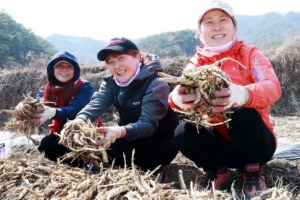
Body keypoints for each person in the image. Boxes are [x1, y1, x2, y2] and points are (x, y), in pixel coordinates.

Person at [168, 1, 281, 198]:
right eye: (209, 22)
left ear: (234, 26)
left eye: (223, 20)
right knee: (182, 131)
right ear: (200, 31)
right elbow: (178, 92)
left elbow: (272, 87)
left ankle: (252, 171)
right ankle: (218, 171)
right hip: (220, 146)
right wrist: (178, 98)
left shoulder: (250, 54)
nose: (217, 26)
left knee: (240, 112)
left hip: (256, 144)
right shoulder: (197, 62)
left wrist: (243, 94)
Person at [65, 37, 179, 182]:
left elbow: (148, 124)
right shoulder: (111, 83)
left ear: (137, 56)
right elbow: (97, 103)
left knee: (128, 148)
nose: (116, 65)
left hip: (159, 143)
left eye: (121, 58)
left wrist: (118, 132)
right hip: (127, 137)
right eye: (111, 62)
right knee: (84, 144)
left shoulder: (156, 82)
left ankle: (154, 171)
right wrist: (79, 121)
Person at [14, 50, 99, 166]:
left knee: (72, 125)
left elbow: (75, 109)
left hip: (85, 130)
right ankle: (75, 163)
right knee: (45, 145)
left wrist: (52, 112)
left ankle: (90, 159)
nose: (64, 69)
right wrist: (25, 107)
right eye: (60, 65)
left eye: (69, 66)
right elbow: (39, 105)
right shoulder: (45, 89)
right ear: (52, 70)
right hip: (60, 132)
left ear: (75, 70)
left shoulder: (85, 87)